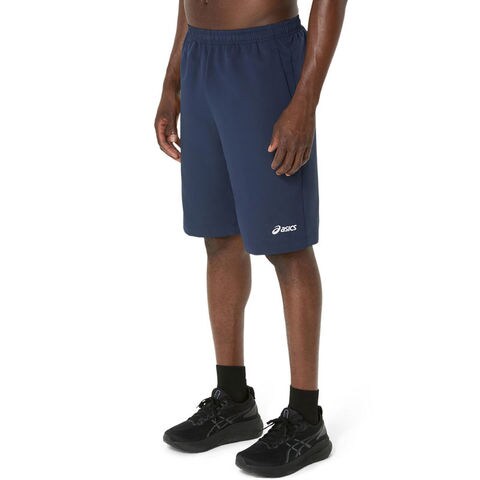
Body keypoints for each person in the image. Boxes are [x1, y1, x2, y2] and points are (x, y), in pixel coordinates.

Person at [155, 0, 347, 476]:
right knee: (219, 236)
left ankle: (306, 420)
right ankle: (234, 401)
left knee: (287, 245)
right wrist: (172, 81)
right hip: (201, 57)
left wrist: (305, 102)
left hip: (264, 58)